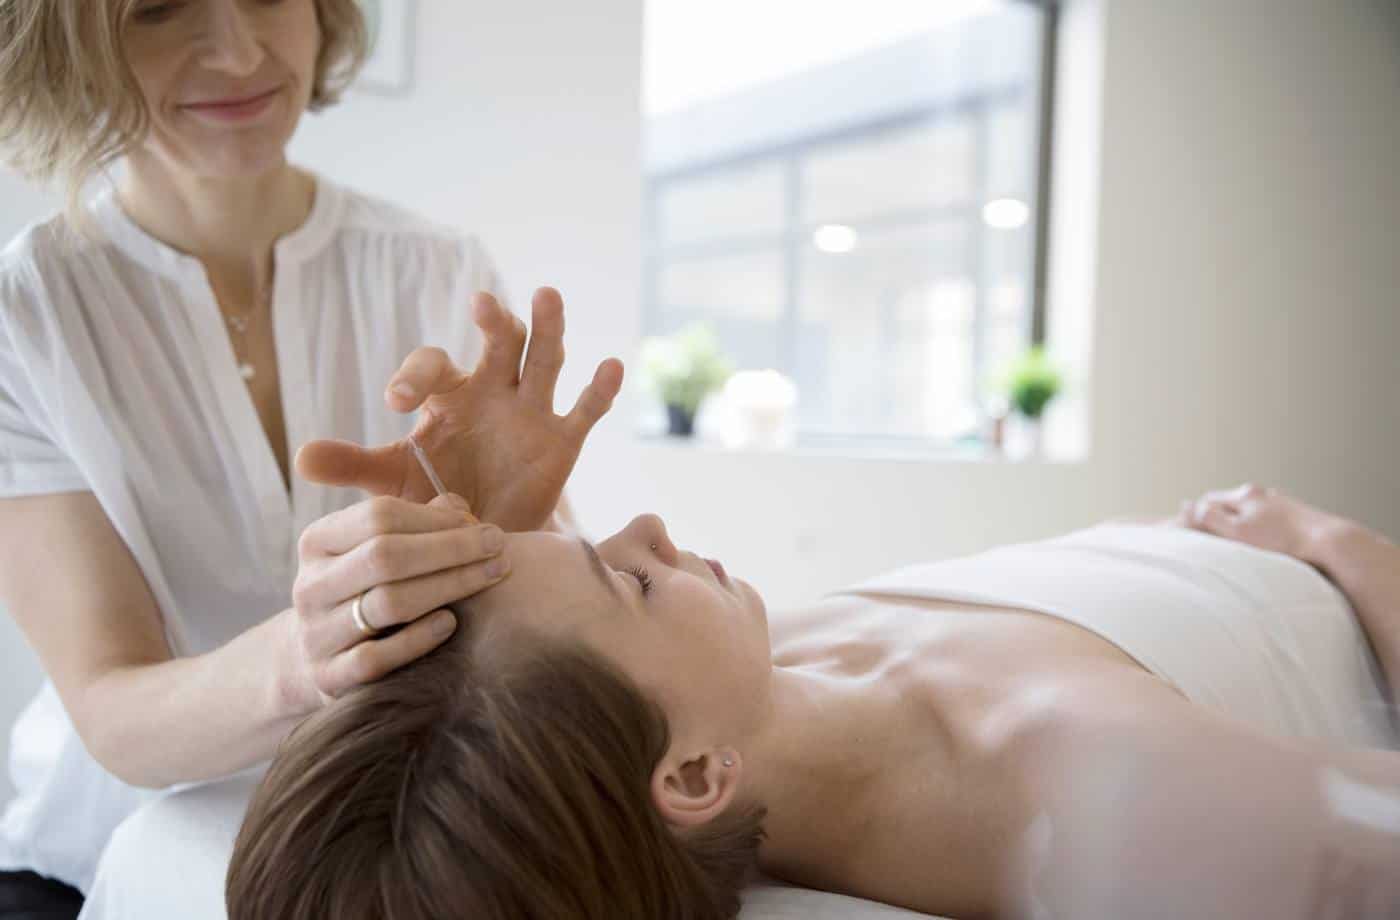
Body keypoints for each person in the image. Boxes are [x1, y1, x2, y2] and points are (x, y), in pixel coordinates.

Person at [224, 332, 1400, 920]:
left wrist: (521, 546)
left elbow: (522, 713)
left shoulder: (708, 699)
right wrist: (1340, 544)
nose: (642, 521)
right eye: (627, 579)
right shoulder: (1097, 788)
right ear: (690, 774)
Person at [0, 2, 620, 916]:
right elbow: (113, 711)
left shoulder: (437, 271)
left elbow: (559, 647)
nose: (239, 50)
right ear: (67, 46)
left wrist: (512, 536)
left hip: (390, 856)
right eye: (158, 9)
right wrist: (304, 661)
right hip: (91, 863)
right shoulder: (30, 315)